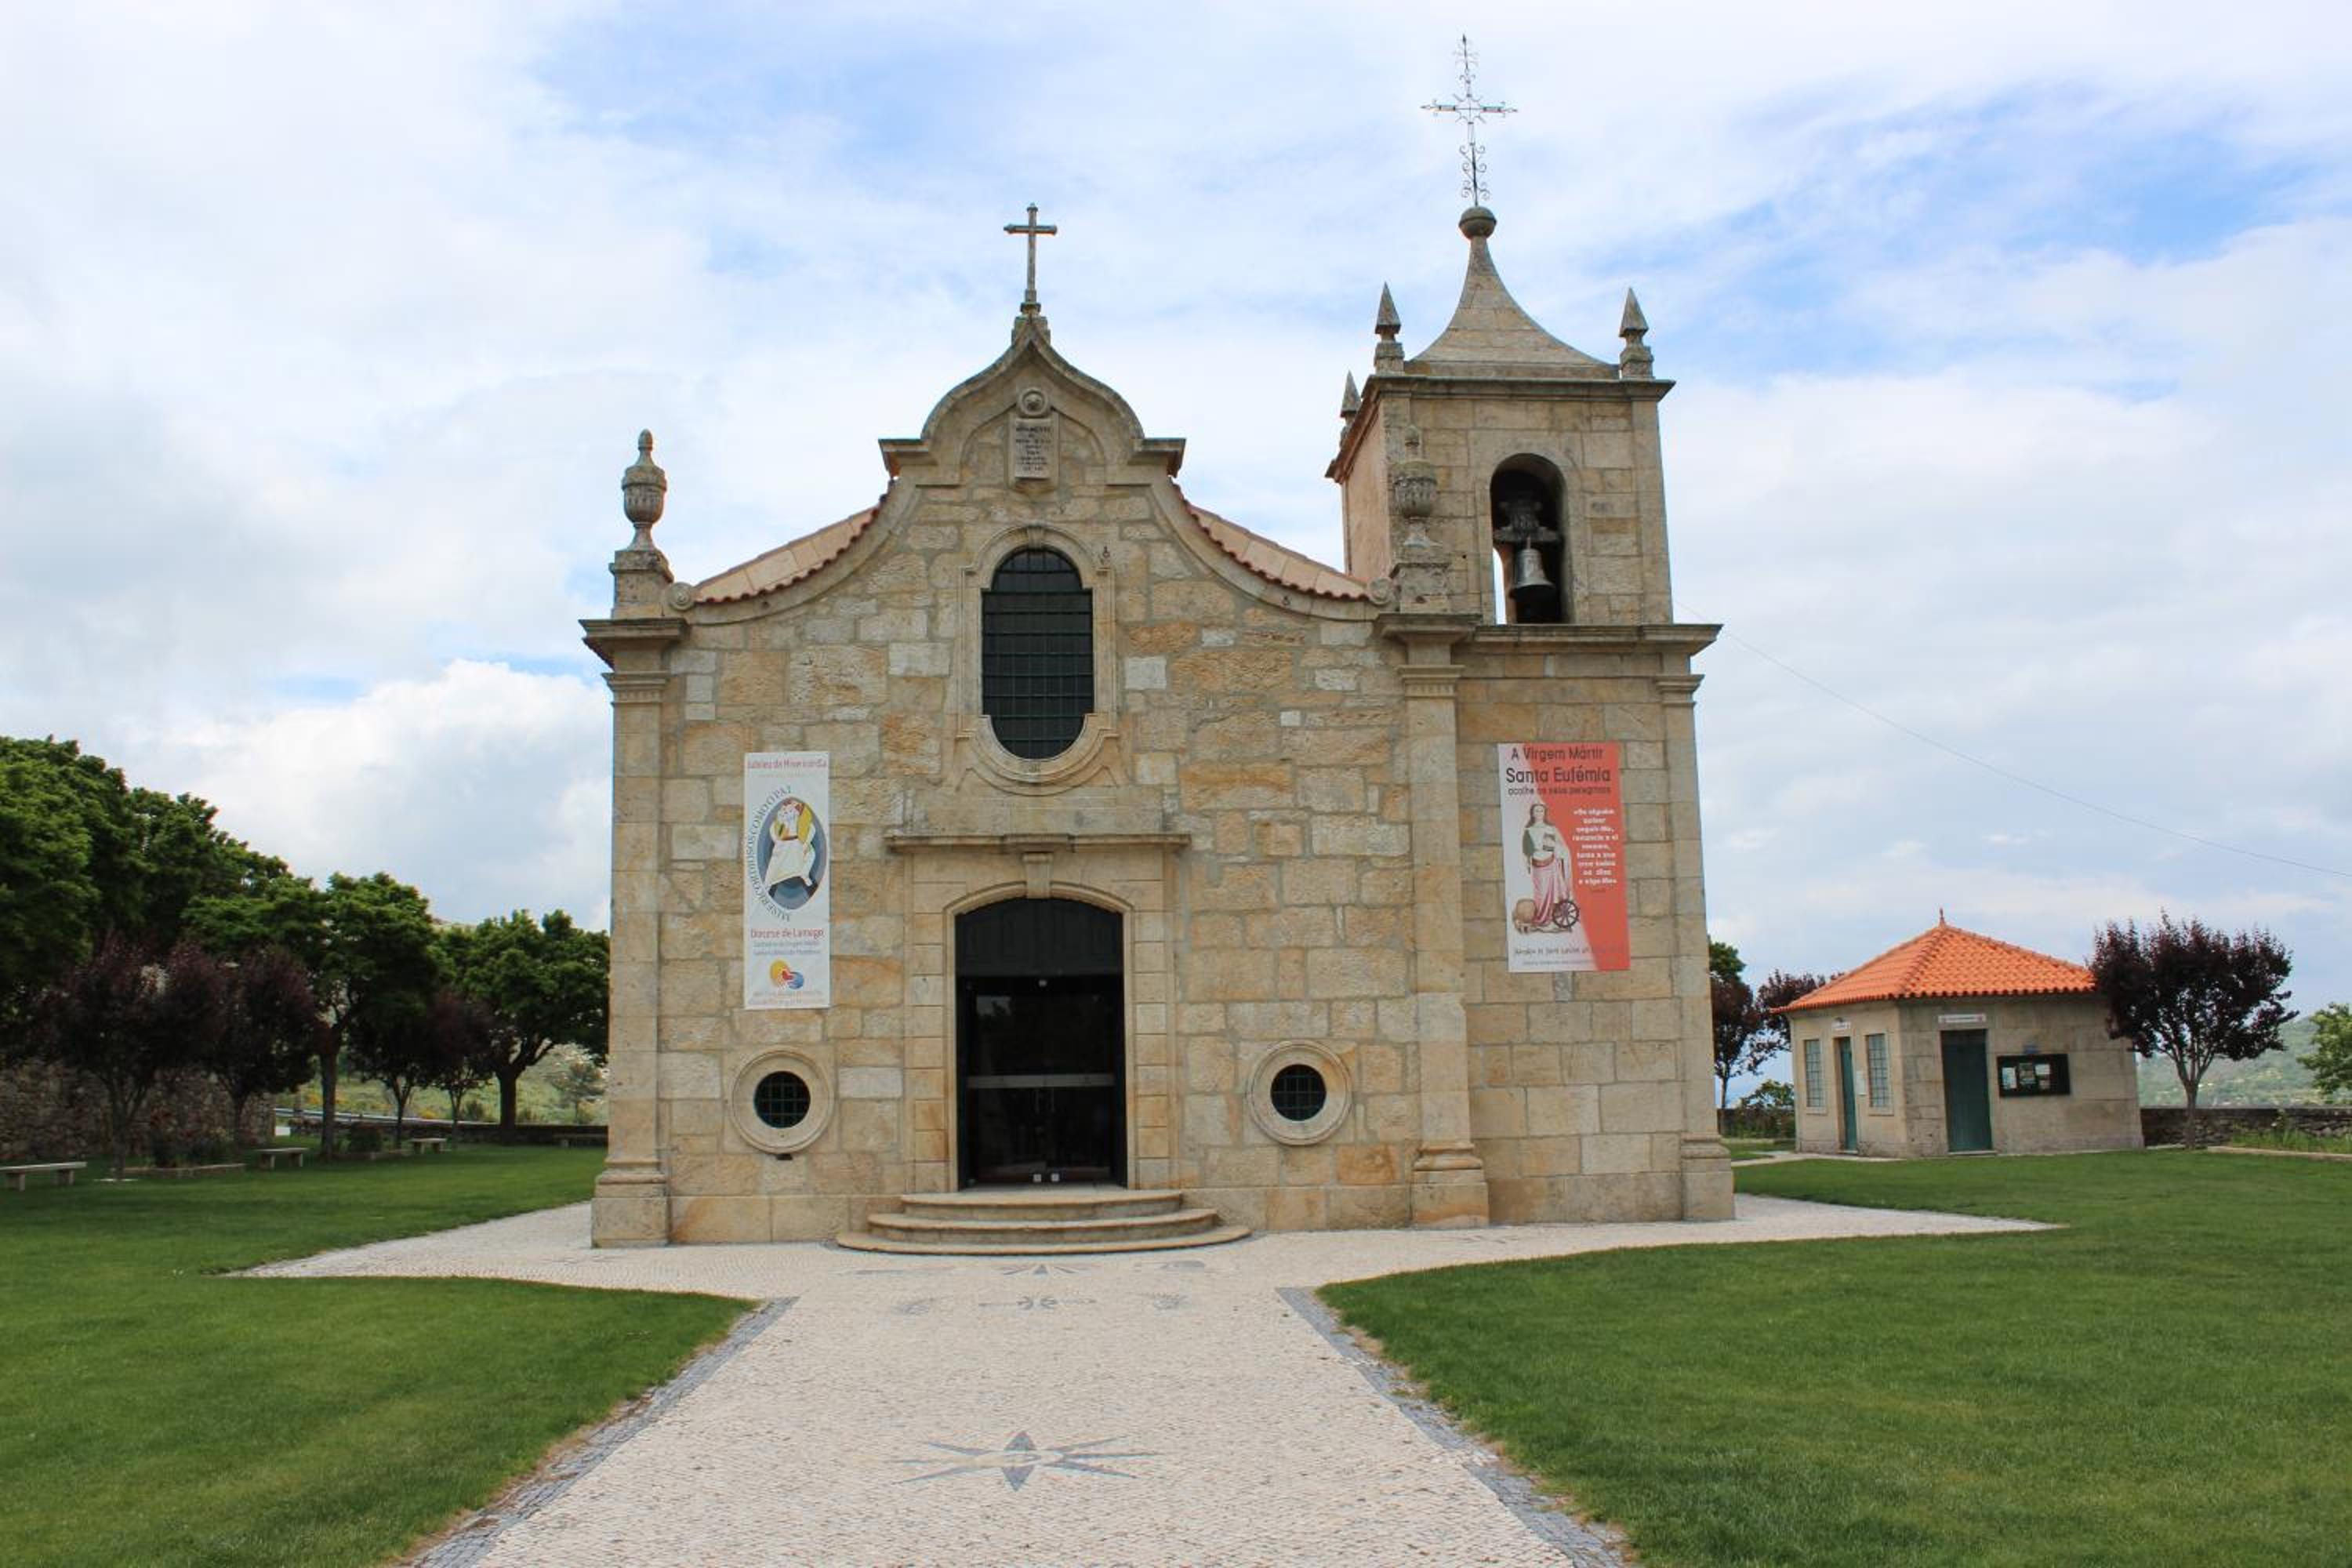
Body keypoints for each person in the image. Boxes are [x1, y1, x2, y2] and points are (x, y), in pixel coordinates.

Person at [1521, 800, 1577, 932]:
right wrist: (1527, 862)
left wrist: (1553, 846)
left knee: (1554, 892)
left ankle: (1554, 918)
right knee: (1541, 894)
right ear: (1532, 813)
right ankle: (1541, 920)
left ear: (1544, 813)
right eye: (1536, 811)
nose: (1539, 813)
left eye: (1541, 810)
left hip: (1551, 864)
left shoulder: (1551, 829)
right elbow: (1525, 851)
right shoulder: (1528, 830)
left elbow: (1563, 846)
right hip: (1537, 866)